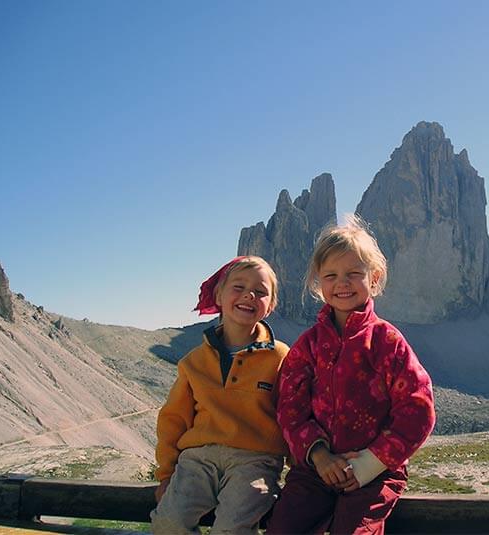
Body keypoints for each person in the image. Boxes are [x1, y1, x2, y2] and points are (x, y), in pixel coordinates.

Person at [268, 216, 436, 535]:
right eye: (331, 275)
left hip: (376, 473)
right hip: (315, 471)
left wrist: (366, 466)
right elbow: (290, 410)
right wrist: (319, 456)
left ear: (374, 279)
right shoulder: (308, 346)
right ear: (319, 283)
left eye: (353, 274)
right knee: (283, 528)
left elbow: (418, 411)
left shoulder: (387, 342)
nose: (342, 283)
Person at [150, 256, 289, 535]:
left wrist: (299, 470)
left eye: (261, 292)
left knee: (232, 528)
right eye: (238, 287)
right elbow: (173, 419)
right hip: (197, 461)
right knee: (167, 523)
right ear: (219, 295)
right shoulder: (193, 362)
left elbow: (292, 416)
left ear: (271, 305)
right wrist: (166, 474)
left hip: (256, 461)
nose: (249, 295)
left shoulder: (281, 357)